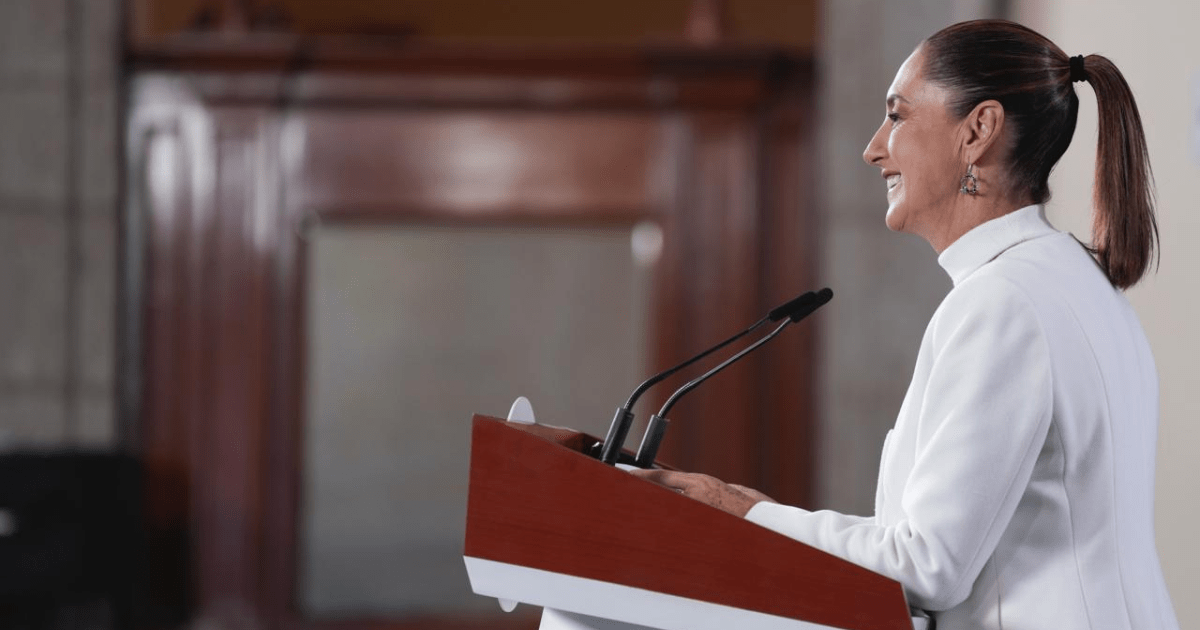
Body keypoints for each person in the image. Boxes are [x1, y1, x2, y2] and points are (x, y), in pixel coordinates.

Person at [631, 19, 1180, 629]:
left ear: (978, 130)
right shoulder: (1075, 280)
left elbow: (927, 565)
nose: (873, 148)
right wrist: (753, 512)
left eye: (896, 115)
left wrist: (746, 513)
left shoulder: (1002, 302)